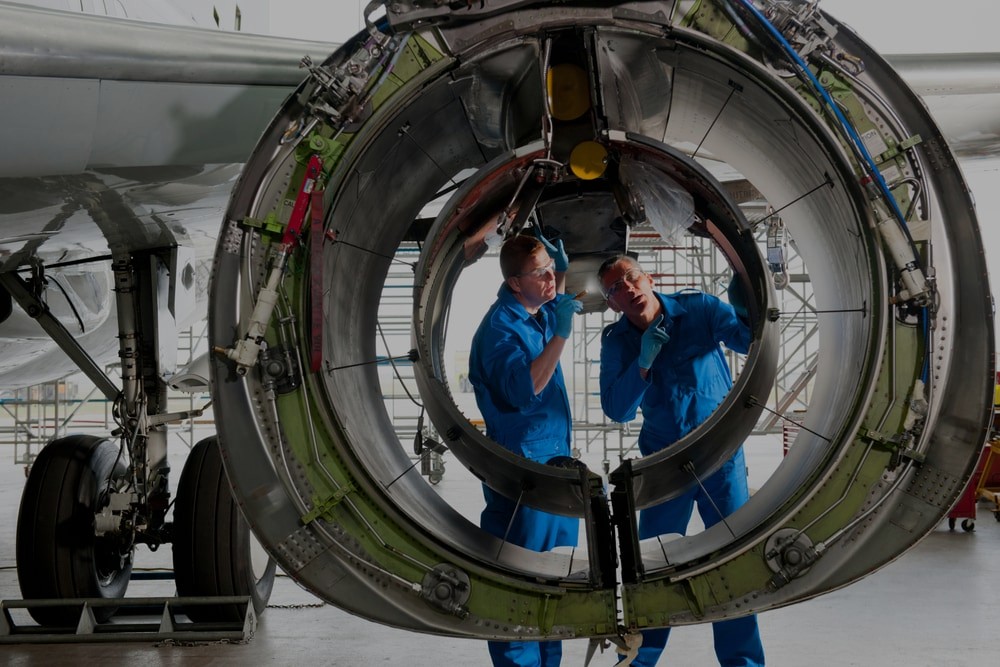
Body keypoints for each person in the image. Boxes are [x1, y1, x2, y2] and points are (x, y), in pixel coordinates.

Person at [596, 254, 764, 667]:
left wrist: (748, 296)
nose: (628, 289)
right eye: (615, 289)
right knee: (654, 568)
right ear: (612, 303)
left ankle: (743, 661)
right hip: (663, 465)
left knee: (731, 564)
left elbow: (749, 339)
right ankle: (638, 660)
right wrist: (643, 363)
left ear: (649, 278)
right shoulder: (617, 341)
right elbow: (616, 408)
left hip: (719, 458)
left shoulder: (700, 309)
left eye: (632, 278)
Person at [468, 232, 584, 667]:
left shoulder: (532, 313)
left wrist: (561, 272)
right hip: (523, 470)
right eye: (541, 273)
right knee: (520, 583)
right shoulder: (500, 329)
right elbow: (525, 389)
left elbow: (555, 301)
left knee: (553, 581)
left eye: (551, 269)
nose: (551, 279)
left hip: (551, 465)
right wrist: (562, 338)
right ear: (515, 283)